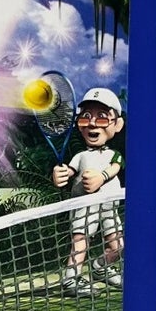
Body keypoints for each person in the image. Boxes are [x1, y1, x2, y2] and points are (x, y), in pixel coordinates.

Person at [51, 86, 125, 296]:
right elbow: (69, 171)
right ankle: (71, 279)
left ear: (117, 124)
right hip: (85, 208)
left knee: (119, 246)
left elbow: (115, 167)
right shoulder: (81, 156)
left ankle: (100, 267)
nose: (92, 124)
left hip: (109, 208)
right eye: (85, 118)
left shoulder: (114, 154)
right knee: (80, 242)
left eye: (102, 118)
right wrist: (60, 175)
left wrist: (101, 177)